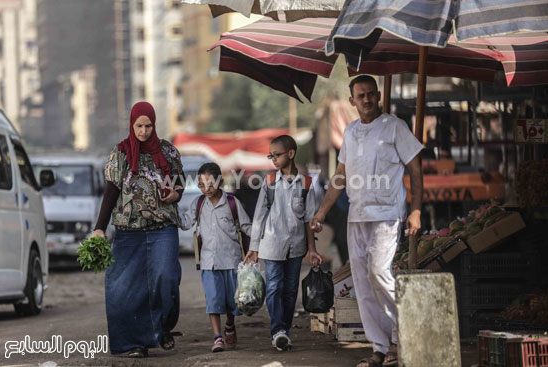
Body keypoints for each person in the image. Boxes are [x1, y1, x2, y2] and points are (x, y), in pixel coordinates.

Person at [310, 75, 423, 367]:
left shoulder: (395, 127)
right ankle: (379, 347)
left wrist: (416, 210)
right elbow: (340, 176)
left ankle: (400, 339)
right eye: (361, 96)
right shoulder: (349, 132)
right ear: (352, 101)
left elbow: (416, 169)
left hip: (387, 214)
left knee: (379, 273)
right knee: (361, 282)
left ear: (379, 96)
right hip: (356, 217)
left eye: (372, 94)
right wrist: (322, 211)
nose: (367, 99)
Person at [92, 101, 184, 358]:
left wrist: (174, 194)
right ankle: (135, 343)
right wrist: (99, 228)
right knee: (125, 288)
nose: (143, 131)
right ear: (132, 125)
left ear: (155, 124)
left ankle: (163, 326)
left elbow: (178, 185)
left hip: (163, 228)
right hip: (128, 231)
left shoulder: (168, 152)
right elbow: (110, 193)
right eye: (139, 126)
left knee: (165, 278)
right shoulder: (120, 153)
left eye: (148, 126)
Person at [244, 134, 323, 352]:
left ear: (291, 153)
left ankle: (285, 332)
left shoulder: (306, 184)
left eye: (277, 155)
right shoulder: (269, 182)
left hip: (296, 247)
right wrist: (254, 247)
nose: (274, 159)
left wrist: (312, 250)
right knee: (273, 288)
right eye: (271, 156)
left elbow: (309, 219)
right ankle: (277, 330)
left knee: (290, 290)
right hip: (271, 245)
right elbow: (259, 216)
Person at [179, 162, 252, 353]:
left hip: (232, 261)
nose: (206, 189)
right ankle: (217, 337)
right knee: (213, 299)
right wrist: (170, 212)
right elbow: (186, 223)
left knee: (231, 302)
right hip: (208, 262)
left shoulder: (232, 203)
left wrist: (258, 245)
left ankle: (229, 324)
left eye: (210, 184)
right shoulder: (199, 203)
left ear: (220, 181)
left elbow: (246, 227)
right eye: (202, 185)